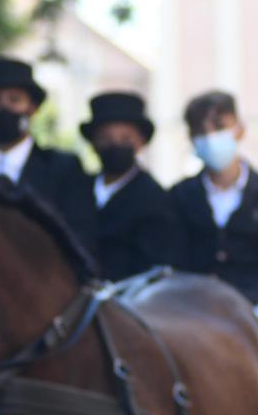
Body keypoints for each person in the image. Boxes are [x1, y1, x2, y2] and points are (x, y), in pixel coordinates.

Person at [169, 90, 258, 352]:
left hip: (253, 303)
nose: (210, 137)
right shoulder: (179, 195)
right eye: (200, 131)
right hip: (191, 303)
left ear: (239, 129)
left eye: (219, 127)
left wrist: (244, 299)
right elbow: (172, 258)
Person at [0, 56, 99, 255]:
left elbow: (80, 240)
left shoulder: (65, 169)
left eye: (15, 100)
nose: (4, 109)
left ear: (32, 108)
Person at [79, 91, 184, 281]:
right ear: (93, 143)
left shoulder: (154, 198)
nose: (115, 145)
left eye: (125, 138)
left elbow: (154, 267)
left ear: (141, 142)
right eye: (106, 138)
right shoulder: (77, 188)